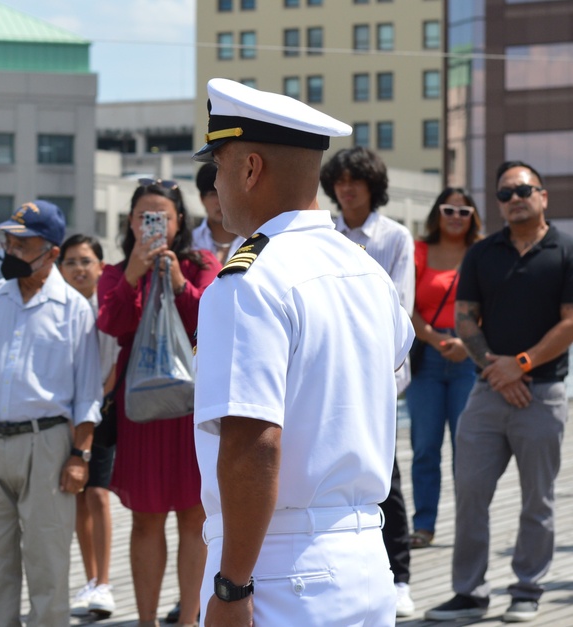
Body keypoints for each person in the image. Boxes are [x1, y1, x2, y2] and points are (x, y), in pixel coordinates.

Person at [191, 78, 413, 627]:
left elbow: (253, 442)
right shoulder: (367, 273)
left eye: (218, 168)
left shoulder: (247, 283)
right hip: (365, 558)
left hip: (278, 568)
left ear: (249, 169)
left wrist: (231, 587)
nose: (215, 187)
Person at [425, 161, 573, 623]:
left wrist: (522, 364)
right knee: (469, 492)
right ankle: (469, 594)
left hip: (542, 393)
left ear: (543, 195)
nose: (514, 199)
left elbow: (570, 322)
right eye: (504, 194)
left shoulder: (565, 250)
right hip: (488, 393)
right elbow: (466, 318)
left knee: (538, 498)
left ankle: (527, 588)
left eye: (523, 190)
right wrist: (494, 369)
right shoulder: (482, 253)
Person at [0, 200, 102, 626]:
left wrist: (79, 456)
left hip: (47, 446)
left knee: (48, 566)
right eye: (8, 241)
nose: (11, 251)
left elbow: (88, 395)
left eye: (23, 243)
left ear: (52, 252)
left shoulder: (75, 310)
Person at [97, 178, 219, 627]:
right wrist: (133, 271)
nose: (154, 225)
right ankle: (146, 620)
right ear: (130, 221)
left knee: (194, 517)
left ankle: (189, 619)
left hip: (189, 406)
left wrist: (180, 280)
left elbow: (207, 320)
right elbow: (111, 322)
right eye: (145, 217)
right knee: (146, 519)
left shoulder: (202, 262)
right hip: (142, 410)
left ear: (179, 222)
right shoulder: (115, 271)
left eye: (163, 217)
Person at [320, 145, 416, 616]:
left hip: (380, 379)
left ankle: (399, 576)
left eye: (355, 180)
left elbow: (400, 309)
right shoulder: (324, 235)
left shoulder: (395, 237)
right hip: (330, 377)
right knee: (335, 474)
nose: (346, 188)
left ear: (372, 186)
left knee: (386, 479)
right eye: (339, 180)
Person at [404, 188, 482, 550]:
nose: (456, 216)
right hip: (429, 357)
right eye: (449, 209)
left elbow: (494, 304)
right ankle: (424, 526)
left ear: (473, 217)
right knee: (424, 447)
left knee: (466, 448)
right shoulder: (419, 251)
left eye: (463, 211)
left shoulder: (482, 252)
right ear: (438, 213)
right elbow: (408, 304)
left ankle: (469, 525)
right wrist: (436, 340)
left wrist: (468, 344)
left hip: (471, 358)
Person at [59, 233, 121, 619]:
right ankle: (90, 578)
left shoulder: (107, 305)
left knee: (98, 494)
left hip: (102, 409)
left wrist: (94, 403)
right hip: (64, 413)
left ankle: (105, 582)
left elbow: (114, 362)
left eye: (86, 261)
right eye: (71, 262)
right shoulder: (59, 307)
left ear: (101, 266)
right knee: (78, 496)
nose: (79, 268)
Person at [191, 162, 244, 265]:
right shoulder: (190, 242)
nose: (220, 201)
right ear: (202, 199)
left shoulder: (254, 239)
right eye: (213, 194)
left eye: (225, 192)